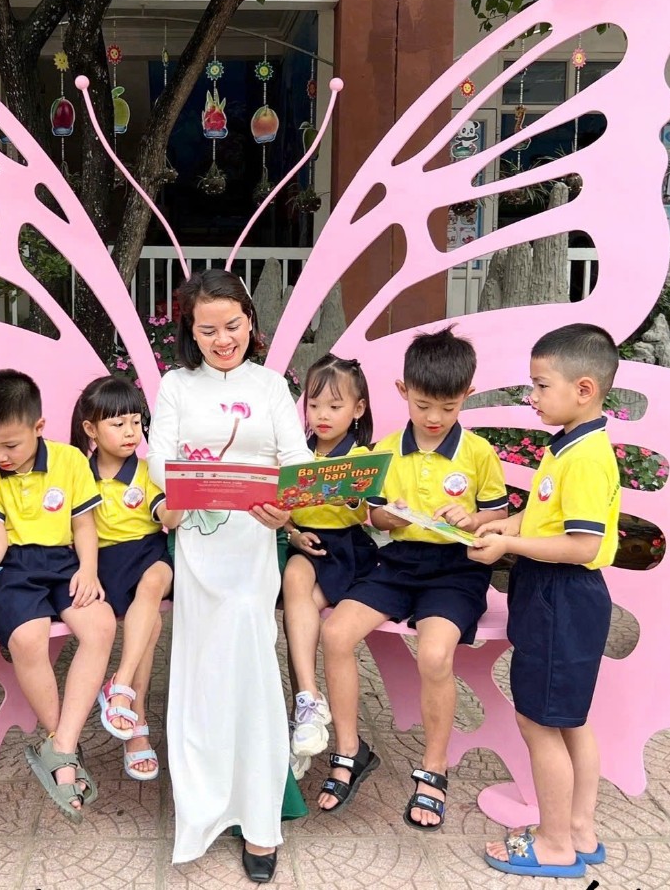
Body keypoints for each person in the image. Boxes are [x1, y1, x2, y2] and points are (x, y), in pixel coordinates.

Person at [147, 268, 311, 884]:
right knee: (201, 673)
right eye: (208, 330)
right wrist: (172, 497)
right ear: (190, 332)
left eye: (233, 326)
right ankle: (203, 807)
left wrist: (286, 506)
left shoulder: (270, 386)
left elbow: (296, 459)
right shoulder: (175, 386)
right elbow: (160, 459)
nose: (223, 340)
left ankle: (261, 818)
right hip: (196, 542)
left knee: (253, 668)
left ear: (251, 323)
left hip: (254, 543)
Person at [318, 327, 509, 829]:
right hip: (399, 562)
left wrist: (474, 519)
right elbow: (375, 516)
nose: (434, 417)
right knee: (335, 633)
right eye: (423, 405)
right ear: (403, 390)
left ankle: (433, 767)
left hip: (457, 570)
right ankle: (349, 750)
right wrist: (389, 517)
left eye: (448, 406)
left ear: (467, 394)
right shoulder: (383, 450)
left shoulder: (478, 453)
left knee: (434, 654)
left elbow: (499, 516)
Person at [469, 324, 621, 879]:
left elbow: (581, 546)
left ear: (584, 389)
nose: (530, 397)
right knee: (570, 720)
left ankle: (554, 843)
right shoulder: (572, 445)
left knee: (538, 722)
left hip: (562, 596)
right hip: (561, 597)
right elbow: (547, 519)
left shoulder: (583, 458)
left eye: (540, 385)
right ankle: (579, 829)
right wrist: (502, 524)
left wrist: (508, 546)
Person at [0, 369, 116, 822]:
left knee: (101, 625)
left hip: (63, 562)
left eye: (10, 445)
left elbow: (83, 524)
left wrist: (88, 569)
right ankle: (60, 745)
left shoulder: (69, 460)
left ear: (39, 427)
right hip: (11, 567)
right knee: (28, 637)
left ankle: (62, 745)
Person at [71, 375, 182, 780]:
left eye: (136, 422)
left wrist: (185, 492)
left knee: (154, 583)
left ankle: (120, 684)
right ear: (91, 429)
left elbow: (167, 516)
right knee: (151, 624)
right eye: (118, 424)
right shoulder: (77, 474)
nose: (131, 432)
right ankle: (136, 722)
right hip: (101, 564)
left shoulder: (148, 471)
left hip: (149, 553)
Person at [280, 353, 376, 774]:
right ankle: (308, 698)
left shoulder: (362, 455)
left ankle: (305, 715)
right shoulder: (295, 452)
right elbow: (283, 508)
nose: (322, 415)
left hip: (346, 548)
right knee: (293, 577)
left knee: (301, 610)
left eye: (334, 406)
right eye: (314, 405)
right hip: (306, 542)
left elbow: (369, 511)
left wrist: (351, 497)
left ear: (357, 409)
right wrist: (292, 532)